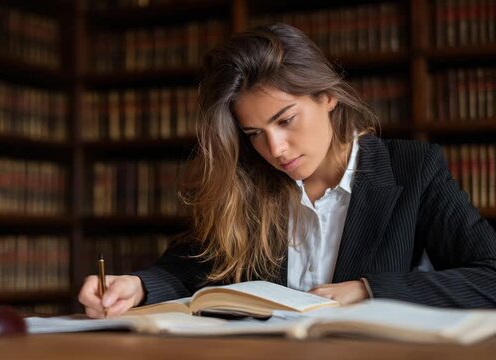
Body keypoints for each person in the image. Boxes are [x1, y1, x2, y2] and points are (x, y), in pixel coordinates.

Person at [78, 23, 496, 318]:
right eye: (254, 133)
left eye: (285, 120)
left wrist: (367, 290)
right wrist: (137, 286)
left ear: (328, 97)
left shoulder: (412, 170)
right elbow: (190, 266)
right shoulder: (249, 179)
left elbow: (490, 276)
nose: (274, 150)